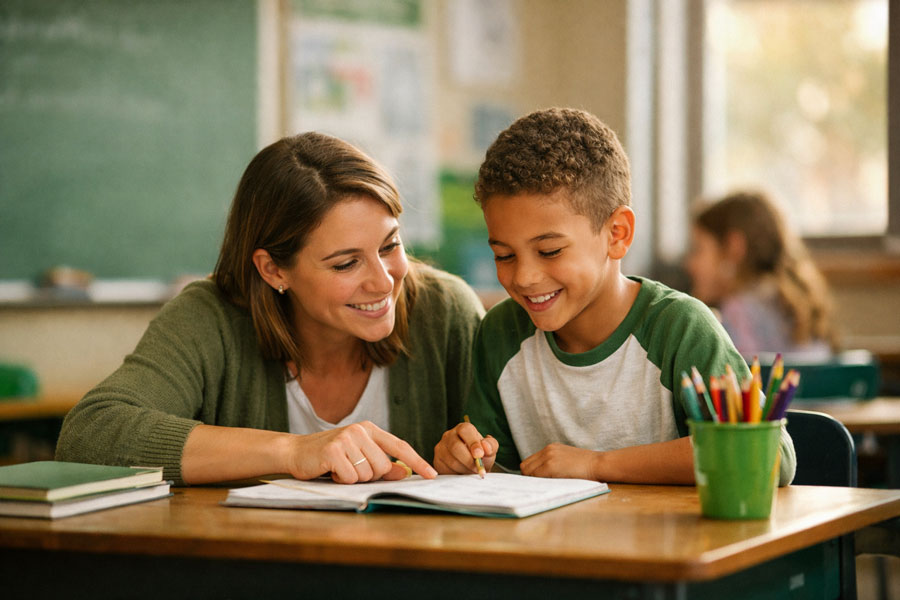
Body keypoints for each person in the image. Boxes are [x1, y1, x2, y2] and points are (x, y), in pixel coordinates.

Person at [56, 132, 484, 485]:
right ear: (273, 269)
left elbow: (509, 462)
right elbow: (90, 435)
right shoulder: (211, 319)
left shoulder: (445, 313)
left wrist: (468, 455)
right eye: (346, 263)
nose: (384, 280)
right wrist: (293, 450)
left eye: (390, 245)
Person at [432, 108, 795, 485]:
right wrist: (465, 460)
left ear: (617, 234)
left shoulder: (679, 330)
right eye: (504, 256)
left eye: (550, 251)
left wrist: (596, 465)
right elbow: (495, 479)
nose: (523, 277)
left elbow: (767, 456)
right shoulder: (501, 334)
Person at [685, 190, 835, 361]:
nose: (689, 264)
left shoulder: (736, 312)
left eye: (697, 249)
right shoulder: (801, 307)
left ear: (734, 247)